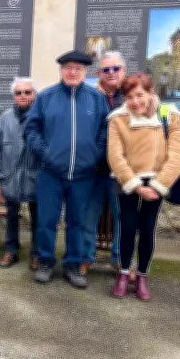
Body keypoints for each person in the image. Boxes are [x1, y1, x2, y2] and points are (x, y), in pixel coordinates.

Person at [24, 50, 109, 289]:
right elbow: (31, 129)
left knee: (78, 222)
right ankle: (45, 262)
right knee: (46, 220)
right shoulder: (46, 97)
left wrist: (94, 154)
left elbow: (105, 131)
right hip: (50, 173)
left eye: (78, 68)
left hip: (83, 174)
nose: (73, 72)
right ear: (61, 70)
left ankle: (73, 265)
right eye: (68, 68)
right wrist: (46, 152)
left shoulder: (96, 98)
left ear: (85, 71)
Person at [107, 73, 180, 300]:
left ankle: (142, 275)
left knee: (148, 229)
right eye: (130, 97)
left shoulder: (170, 116)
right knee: (128, 227)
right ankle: (123, 273)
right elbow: (115, 156)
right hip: (127, 181)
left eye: (140, 95)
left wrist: (159, 186)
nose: (135, 102)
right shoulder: (117, 119)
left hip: (157, 181)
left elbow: (177, 156)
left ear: (150, 93)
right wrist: (134, 185)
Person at [82, 50, 127, 276]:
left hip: (122, 170)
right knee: (89, 216)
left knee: (123, 217)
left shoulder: (131, 96)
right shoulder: (89, 96)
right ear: (99, 73)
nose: (111, 73)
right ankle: (86, 258)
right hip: (95, 168)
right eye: (106, 69)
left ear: (123, 71)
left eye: (116, 68)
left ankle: (120, 260)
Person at [0, 77, 40, 269]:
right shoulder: (4, 118)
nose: (23, 95)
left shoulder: (42, 117)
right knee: (11, 216)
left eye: (27, 92)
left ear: (34, 94)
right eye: (18, 93)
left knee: (38, 218)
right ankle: (11, 250)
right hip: (10, 177)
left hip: (35, 178)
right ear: (14, 96)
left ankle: (37, 253)